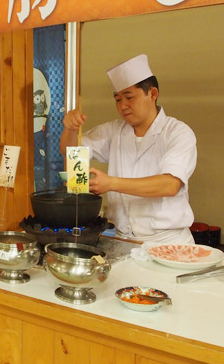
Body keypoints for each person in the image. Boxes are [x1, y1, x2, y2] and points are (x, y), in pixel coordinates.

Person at [59, 54, 197, 246]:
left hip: (168, 242)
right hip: (123, 240)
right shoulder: (113, 131)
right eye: (117, 99)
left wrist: (111, 183)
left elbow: (170, 184)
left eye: (129, 97)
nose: (123, 106)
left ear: (153, 94)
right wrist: (71, 128)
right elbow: (70, 152)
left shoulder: (177, 132)